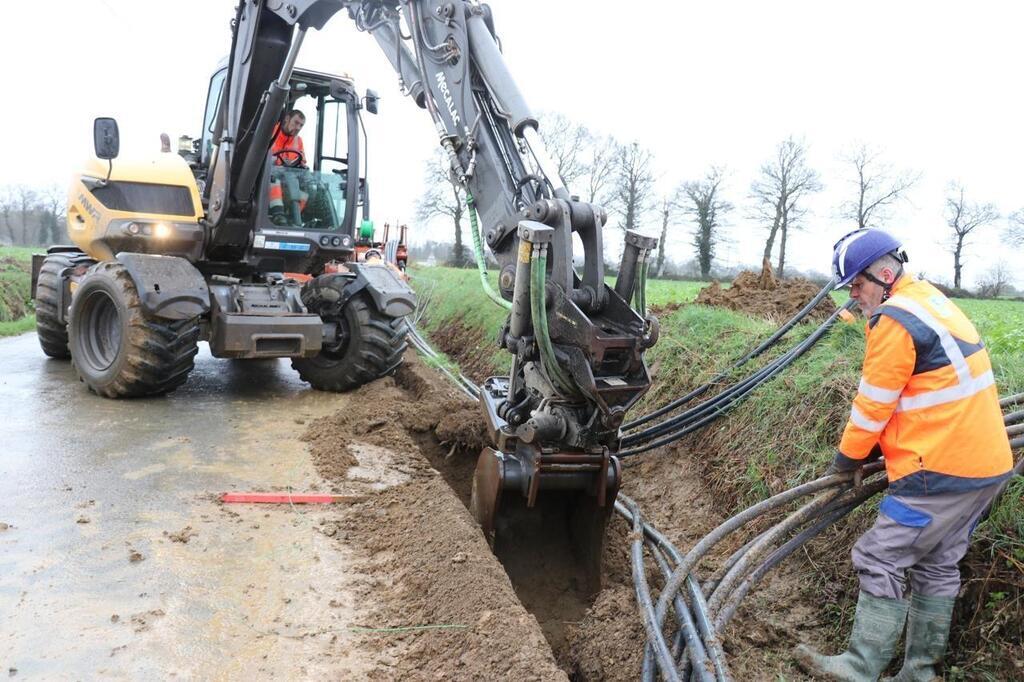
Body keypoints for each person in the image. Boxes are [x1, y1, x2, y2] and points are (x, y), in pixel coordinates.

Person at [794, 228, 1013, 682]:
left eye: (858, 283)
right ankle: (919, 674)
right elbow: (920, 392)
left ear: (886, 272)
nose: (854, 296)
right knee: (937, 563)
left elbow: (873, 403)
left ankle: (858, 667)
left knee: (879, 557)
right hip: (985, 467)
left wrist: (847, 461)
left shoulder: (893, 319)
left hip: (940, 470)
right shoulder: (929, 300)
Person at [268, 110, 308, 224]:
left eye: (301, 125)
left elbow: (302, 162)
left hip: (288, 179)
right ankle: (278, 215)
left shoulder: (298, 140)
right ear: (286, 119)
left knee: (307, 192)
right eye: (296, 122)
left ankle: (295, 220)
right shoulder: (270, 132)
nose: (298, 127)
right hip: (268, 175)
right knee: (274, 181)